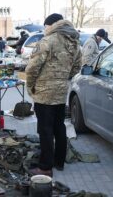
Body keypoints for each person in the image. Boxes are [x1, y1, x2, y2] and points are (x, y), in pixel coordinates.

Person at [25, 13, 81, 177]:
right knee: (59, 126)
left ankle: (45, 167)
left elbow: (32, 68)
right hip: (61, 92)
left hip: (44, 93)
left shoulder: (48, 41)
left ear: (52, 25)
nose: (44, 29)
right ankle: (59, 161)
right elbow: (77, 67)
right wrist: (62, 78)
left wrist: (31, 86)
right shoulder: (74, 42)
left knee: (45, 130)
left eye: (46, 26)